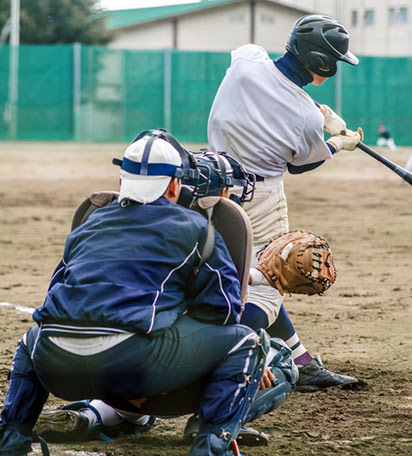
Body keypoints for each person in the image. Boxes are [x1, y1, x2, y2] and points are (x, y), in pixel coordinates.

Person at [0, 130, 296, 456]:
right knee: (249, 342)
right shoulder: (196, 228)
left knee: (31, 339)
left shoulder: (90, 222)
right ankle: (211, 447)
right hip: (134, 365)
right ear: (172, 185)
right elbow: (222, 313)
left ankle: (13, 438)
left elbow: (54, 298)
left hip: (55, 365)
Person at [207, 15, 362, 394]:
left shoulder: (247, 60)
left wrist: (314, 109)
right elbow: (301, 163)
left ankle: (300, 361)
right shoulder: (305, 115)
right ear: (322, 64)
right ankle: (224, 356)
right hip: (260, 198)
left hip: (210, 187)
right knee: (271, 281)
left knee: (219, 273)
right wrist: (339, 142)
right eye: (335, 61)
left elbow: (271, 86)